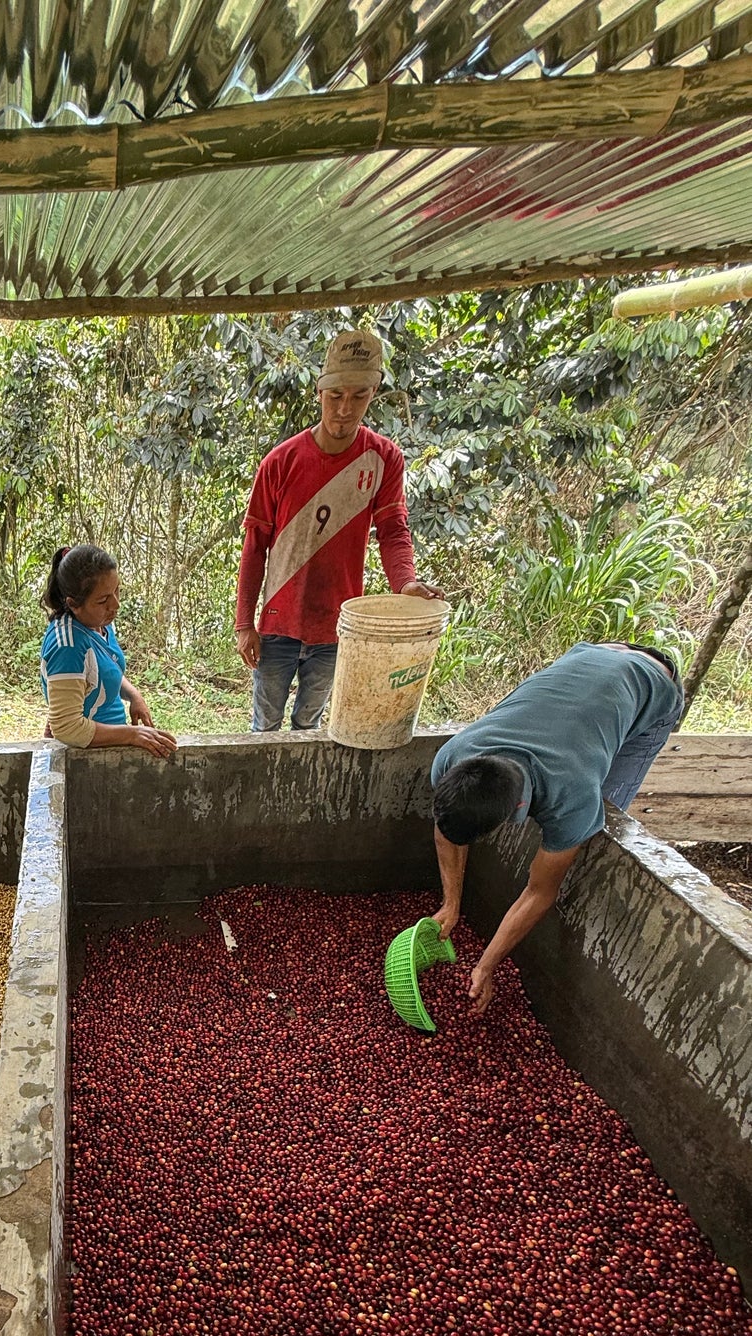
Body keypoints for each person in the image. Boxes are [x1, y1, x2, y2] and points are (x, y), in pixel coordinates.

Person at [430, 641, 684, 1011]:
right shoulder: (453, 756)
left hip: (653, 683)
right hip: (590, 655)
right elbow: (447, 831)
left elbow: (539, 891)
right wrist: (450, 904)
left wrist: (487, 965)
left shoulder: (574, 795)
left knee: (605, 814)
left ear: (518, 806)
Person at [234, 329, 440, 732]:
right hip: (279, 618)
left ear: (373, 395)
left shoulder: (383, 458)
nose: (345, 409)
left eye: (359, 396)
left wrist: (406, 584)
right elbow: (255, 546)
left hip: (338, 621)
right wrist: (245, 623)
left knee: (309, 724)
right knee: (265, 725)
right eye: (336, 396)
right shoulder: (280, 461)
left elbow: (393, 529)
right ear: (319, 393)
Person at [40, 545, 176, 758]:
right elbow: (68, 727)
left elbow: (103, 670)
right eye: (103, 600)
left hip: (110, 743)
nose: (116, 604)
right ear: (74, 604)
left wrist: (133, 695)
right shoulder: (67, 646)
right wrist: (132, 735)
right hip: (83, 755)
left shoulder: (99, 622)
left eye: (117, 590)